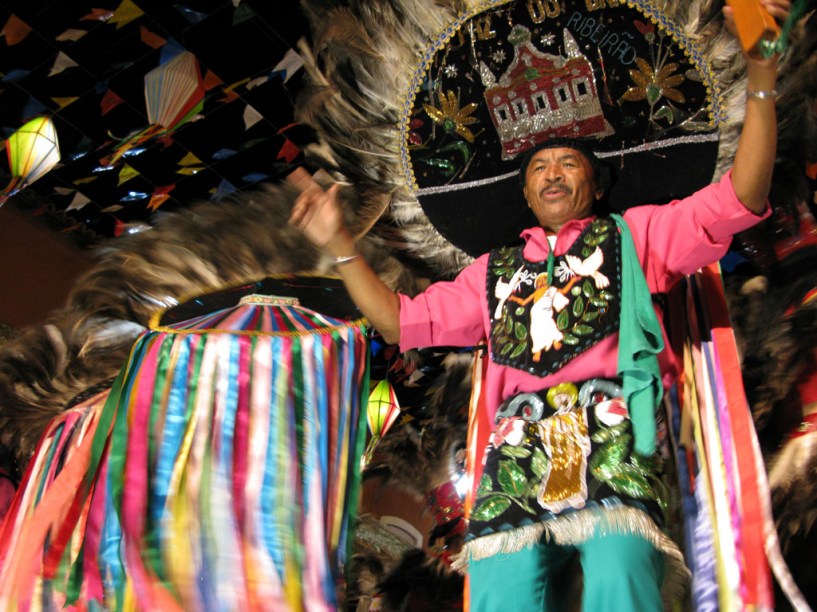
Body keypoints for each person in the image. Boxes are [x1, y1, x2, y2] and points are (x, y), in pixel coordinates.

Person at [289, 2, 789, 609]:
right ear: (525, 193)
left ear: (596, 182)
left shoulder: (637, 235)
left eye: (568, 162)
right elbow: (402, 321)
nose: (552, 174)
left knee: (620, 577)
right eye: (539, 168)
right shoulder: (491, 273)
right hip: (515, 445)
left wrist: (761, 85)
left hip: (612, 428)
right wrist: (341, 246)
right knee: (504, 592)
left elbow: (742, 196)